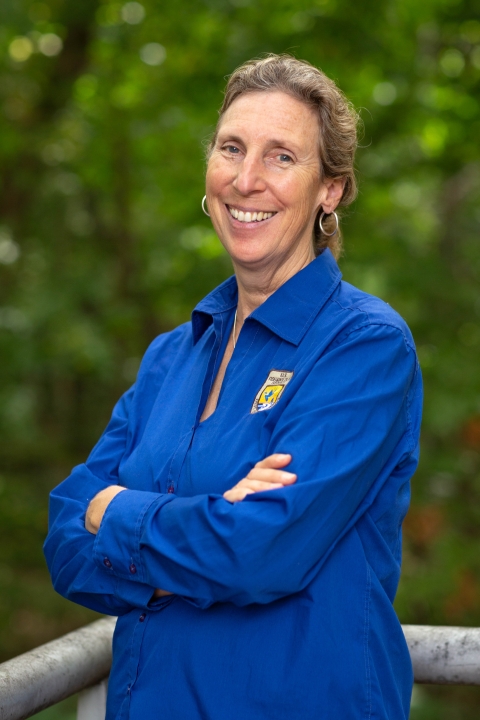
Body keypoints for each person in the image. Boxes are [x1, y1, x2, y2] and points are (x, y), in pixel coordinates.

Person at [44, 54, 422, 720]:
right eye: (231, 149)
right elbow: (65, 540)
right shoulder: (171, 357)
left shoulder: (364, 346)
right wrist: (207, 521)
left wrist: (117, 510)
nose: (248, 180)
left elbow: (259, 553)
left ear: (329, 190)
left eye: (282, 158)